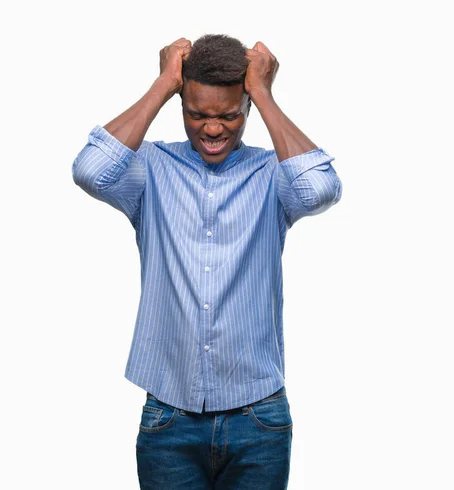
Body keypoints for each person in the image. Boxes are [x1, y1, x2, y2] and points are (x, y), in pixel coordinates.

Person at [72, 33, 342, 489]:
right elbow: (90, 170)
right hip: (169, 420)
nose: (213, 128)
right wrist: (163, 83)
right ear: (180, 106)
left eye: (230, 114)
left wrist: (263, 93)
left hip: (259, 418)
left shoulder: (273, 175)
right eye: (197, 113)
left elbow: (321, 189)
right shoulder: (150, 169)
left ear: (247, 108)